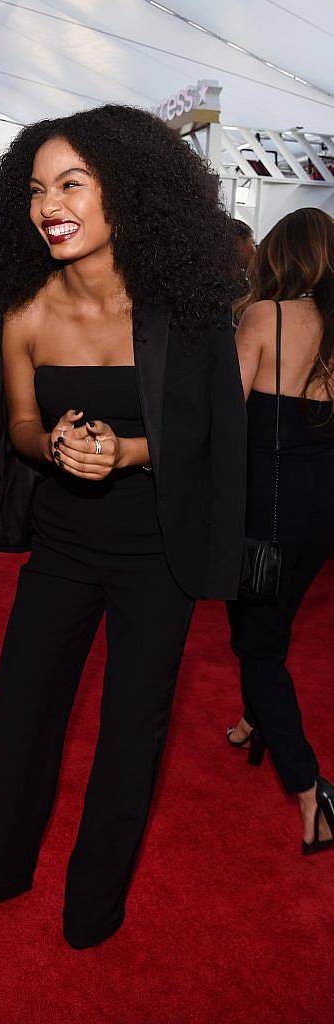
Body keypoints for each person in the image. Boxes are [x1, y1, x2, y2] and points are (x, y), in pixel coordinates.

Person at [0, 106, 246, 948]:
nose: (48, 203)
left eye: (71, 183)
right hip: (60, 546)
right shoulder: (24, 310)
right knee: (20, 710)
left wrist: (127, 452)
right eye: (36, 188)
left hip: (155, 552)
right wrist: (48, 442)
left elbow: (207, 437)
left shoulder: (181, 313)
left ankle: (93, 905)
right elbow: (13, 425)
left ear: (124, 193)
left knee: (131, 728)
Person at [226, 207, 334, 855]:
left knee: (256, 644)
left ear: (277, 253)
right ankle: (251, 719)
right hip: (321, 516)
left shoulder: (265, 315)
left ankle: (308, 791)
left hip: (265, 517)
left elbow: (225, 412)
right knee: (273, 623)